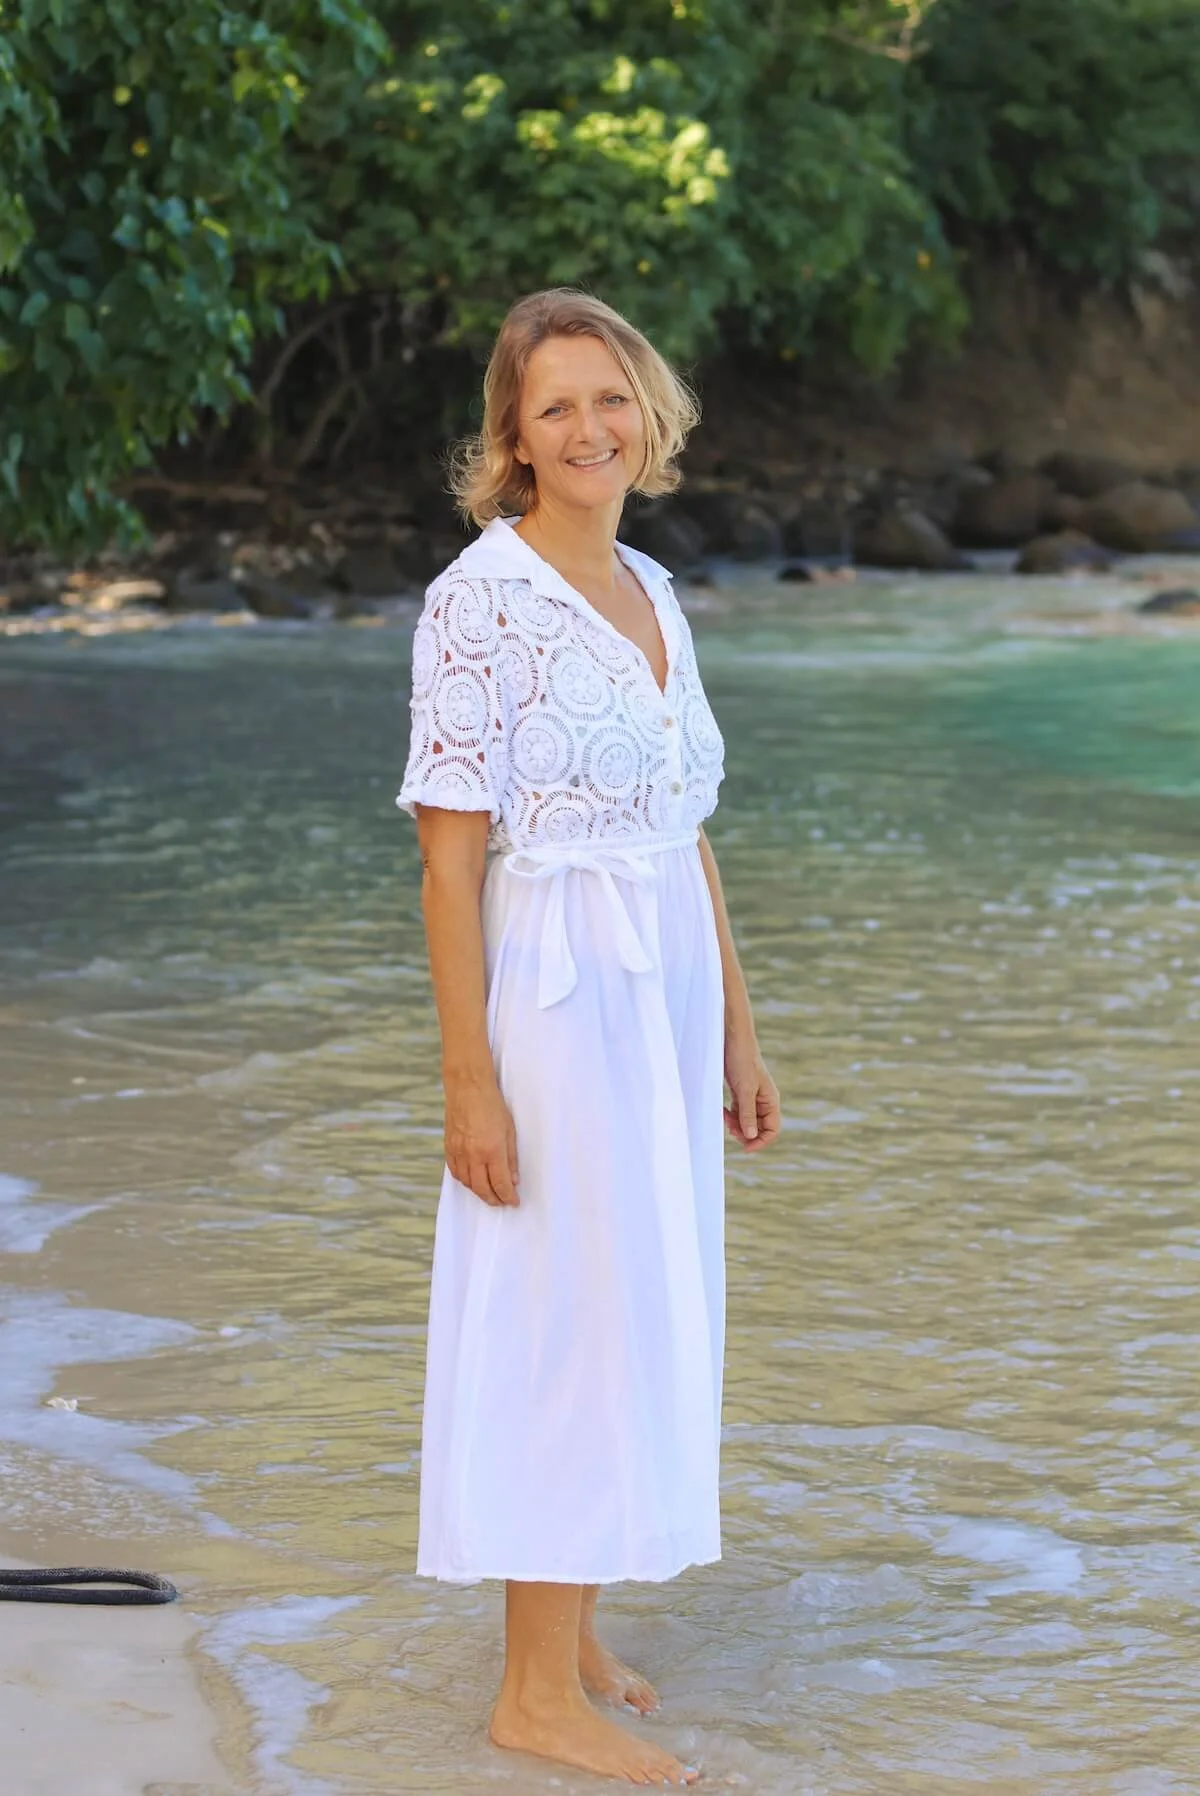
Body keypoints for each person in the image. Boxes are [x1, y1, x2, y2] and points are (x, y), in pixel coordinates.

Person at [397, 287, 780, 1786]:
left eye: (609, 397)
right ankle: (528, 1696)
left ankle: (576, 1637)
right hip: (558, 994)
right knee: (562, 1319)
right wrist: (468, 1082)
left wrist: (739, 1033)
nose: (588, 428)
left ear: (648, 409)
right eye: (554, 407)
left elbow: (687, 832)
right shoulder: (477, 602)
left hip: (667, 992)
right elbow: (445, 860)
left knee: (634, 1310)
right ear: (513, 437)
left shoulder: (653, 590)